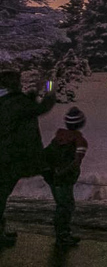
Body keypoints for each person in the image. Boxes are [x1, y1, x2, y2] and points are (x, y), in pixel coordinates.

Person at [0, 68, 56, 248]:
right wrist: (50, 87)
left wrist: (29, 98)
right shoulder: (17, 103)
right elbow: (41, 108)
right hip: (13, 157)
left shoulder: (7, 102)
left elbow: (24, 113)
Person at [42, 106, 89, 248]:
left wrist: (51, 172)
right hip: (63, 179)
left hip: (52, 178)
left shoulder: (58, 137)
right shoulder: (80, 141)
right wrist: (63, 173)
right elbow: (76, 161)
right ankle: (63, 236)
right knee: (66, 206)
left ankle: (61, 234)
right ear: (81, 123)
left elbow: (46, 155)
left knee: (62, 205)